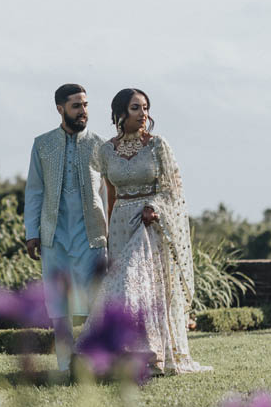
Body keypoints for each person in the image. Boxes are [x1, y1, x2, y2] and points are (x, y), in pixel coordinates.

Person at [83, 88, 210, 375]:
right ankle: (116, 354)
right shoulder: (105, 150)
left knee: (138, 285)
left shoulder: (158, 145)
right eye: (136, 108)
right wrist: (110, 228)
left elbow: (172, 188)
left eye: (145, 108)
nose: (143, 114)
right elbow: (110, 192)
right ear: (120, 113)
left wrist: (154, 208)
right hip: (121, 223)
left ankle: (152, 354)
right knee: (121, 288)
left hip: (149, 224)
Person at [23, 83, 108, 372]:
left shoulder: (100, 144)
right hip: (53, 235)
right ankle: (64, 363)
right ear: (60, 109)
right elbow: (34, 191)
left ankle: (90, 359)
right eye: (76, 106)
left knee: (94, 298)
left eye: (85, 105)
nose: (83, 111)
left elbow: (108, 193)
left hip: (92, 235)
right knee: (58, 302)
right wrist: (31, 233)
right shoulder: (42, 144)